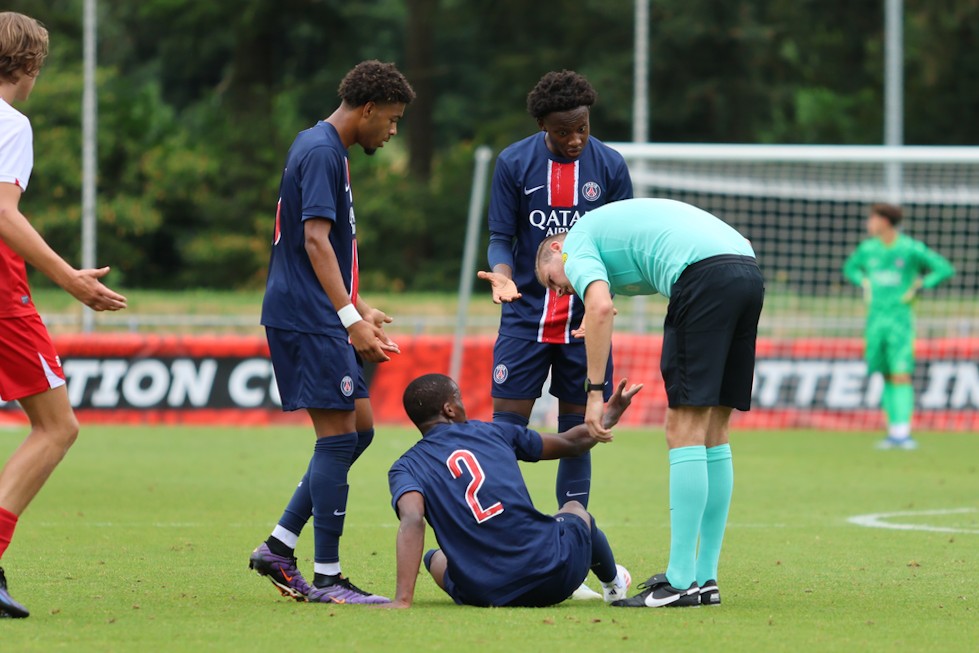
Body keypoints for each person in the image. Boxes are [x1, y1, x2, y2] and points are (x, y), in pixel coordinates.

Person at [535, 197, 764, 608]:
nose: (561, 291)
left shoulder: (575, 242)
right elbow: (603, 303)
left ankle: (679, 582)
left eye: (553, 282)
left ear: (555, 249)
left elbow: (602, 306)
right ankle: (704, 578)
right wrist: (593, 308)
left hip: (704, 277)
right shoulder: (605, 241)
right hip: (746, 270)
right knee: (714, 431)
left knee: (682, 429)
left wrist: (593, 396)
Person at [247, 60, 414, 605]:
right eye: (390, 120)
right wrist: (349, 320)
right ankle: (327, 576)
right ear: (366, 110)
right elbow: (314, 242)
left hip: (319, 311)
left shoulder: (323, 147)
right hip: (309, 318)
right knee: (339, 437)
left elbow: (321, 250)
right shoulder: (322, 152)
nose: (392, 132)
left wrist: (360, 305)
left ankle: (278, 544)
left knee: (358, 431)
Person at [476, 70, 633, 600]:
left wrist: (604, 297)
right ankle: (514, 547)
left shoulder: (609, 166)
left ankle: (574, 557)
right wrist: (501, 273)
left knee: (579, 432)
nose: (575, 139)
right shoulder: (514, 163)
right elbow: (501, 235)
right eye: (564, 130)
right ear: (543, 124)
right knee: (504, 435)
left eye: (583, 128)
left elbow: (621, 238)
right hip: (524, 315)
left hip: (584, 320)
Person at [0, 12, 128, 619]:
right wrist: (67, 276)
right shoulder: (11, 122)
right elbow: (2, 212)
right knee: (57, 426)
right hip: (2, 294)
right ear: (26, 67)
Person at [383, 373, 640, 608]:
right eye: (458, 399)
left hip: (487, 593)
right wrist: (609, 416)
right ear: (449, 409)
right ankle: (613, 583)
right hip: (554, 577)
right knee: (574, 509)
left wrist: (402, 599)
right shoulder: (493, 431)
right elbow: (571, 443)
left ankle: (417, 594)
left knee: (434, 558)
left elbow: (413, 518)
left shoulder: (405, 467)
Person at [842, 203, 954, 450]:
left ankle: (903, 432)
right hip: (874, 321)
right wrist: (863, 281)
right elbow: (849, 268)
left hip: (900, 322)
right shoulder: (867, 249)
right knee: (885, 374)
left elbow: (944, 268)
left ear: (885, 221)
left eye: (873, 218)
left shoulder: (910, 248)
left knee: (901, 373)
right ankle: (894, 432)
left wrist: (922, 285)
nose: (869, 223)